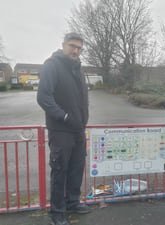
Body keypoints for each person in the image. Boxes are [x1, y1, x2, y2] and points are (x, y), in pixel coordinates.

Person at [37, 32, 90, 225]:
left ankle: (73, 202)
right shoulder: (52, 65)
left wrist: (82, 121)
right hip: (61, 130)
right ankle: (57, 212)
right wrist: (64, 116)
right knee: (60, 171)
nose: (76, 50)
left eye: (79, 48)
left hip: (78, 130)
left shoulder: (78, 68)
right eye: (72, 46)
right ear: (63, 45)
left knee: (76, 169)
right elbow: (44, 97)